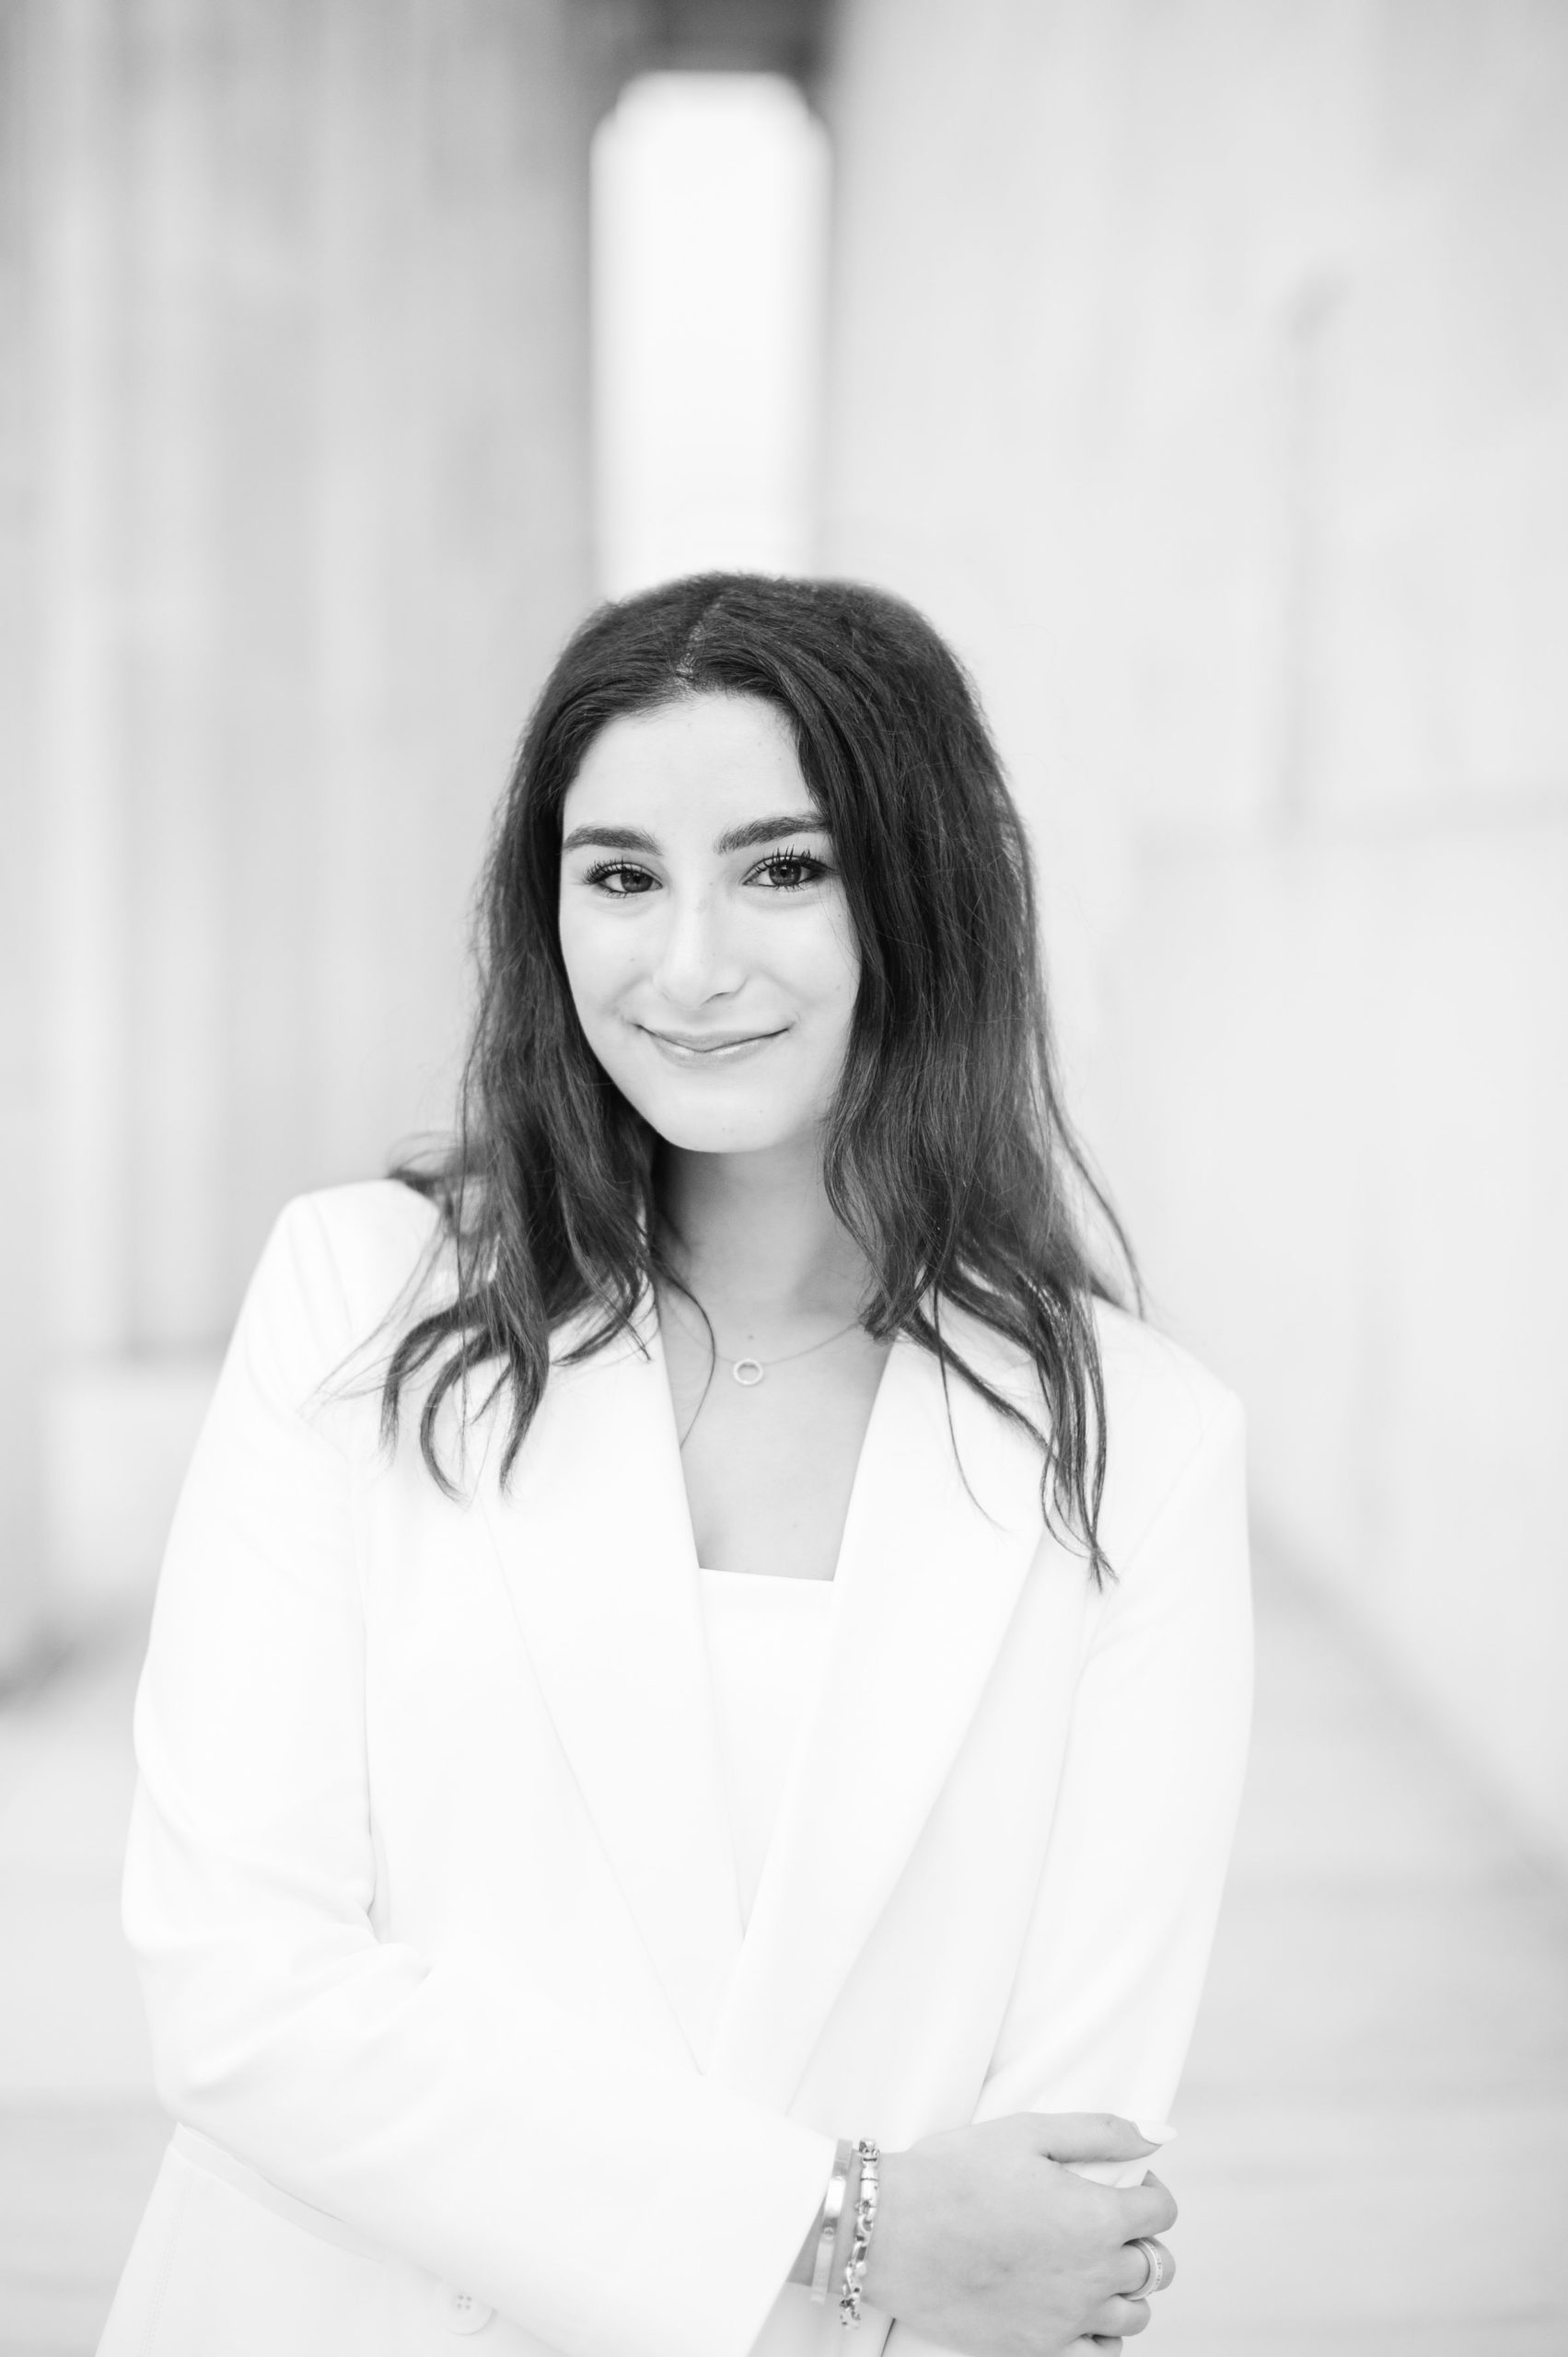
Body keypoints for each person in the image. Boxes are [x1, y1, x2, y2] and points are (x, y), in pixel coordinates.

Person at [98, 575, 1252, 2357]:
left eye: (784, 868)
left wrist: (886, 2252)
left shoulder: (1141, 1447)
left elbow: (1051, 2203)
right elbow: (240, 1991)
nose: (690, 961)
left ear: (920, 894)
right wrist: (844, 2215)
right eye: (620, 873)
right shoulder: (359, 1304)